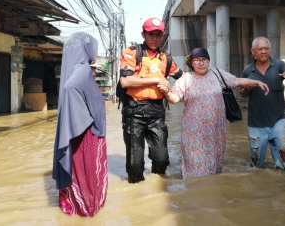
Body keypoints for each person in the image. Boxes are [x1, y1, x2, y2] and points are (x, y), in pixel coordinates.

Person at [159, 47, 269, 179]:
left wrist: (257, 82)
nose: (201, 63)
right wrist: (166, 92)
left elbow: (237, 81)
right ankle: (195, 192)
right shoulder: (186, 79)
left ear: (208, 61)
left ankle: (211, 191)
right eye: (197, 60)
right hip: (194, 133)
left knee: (214, 168)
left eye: (204, 60)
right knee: (195, 167)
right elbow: (174, 99)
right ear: (192, 63)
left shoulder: (217, 74)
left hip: (215, 131)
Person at [119, 17, 183, 183]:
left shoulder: (166, 59)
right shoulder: (132, 53)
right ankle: (136, 191)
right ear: (143, 34)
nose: (154, 38)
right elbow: (125, 81)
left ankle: (158, 188)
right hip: (134, 112)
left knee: (162, 160)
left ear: (162, 36)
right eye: (151, 34)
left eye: (158, 35)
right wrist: (157, 80)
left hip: (156, 112)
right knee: (135, 164)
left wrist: (209, 77)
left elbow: (183, 78)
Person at [52, 32, 107, 217]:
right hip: (87, 135)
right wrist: (83, 120)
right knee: (88, 177)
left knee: (78, 174)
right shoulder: (83, 70)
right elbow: (71, 88)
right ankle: (88, 211)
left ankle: (75, 210)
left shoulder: (73, 69)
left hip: (78, 133)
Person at [239, 37, 285, 169]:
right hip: (256, 123)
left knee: (284, 158)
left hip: (278, 121)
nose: (264, 51)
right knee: (256, 163)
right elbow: (242, 94)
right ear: (253, 51)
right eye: (260, 49)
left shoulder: (279, 65)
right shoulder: (248, 70)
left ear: (270, 50)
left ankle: (284, 183)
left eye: (266, 48)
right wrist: (247, 89)